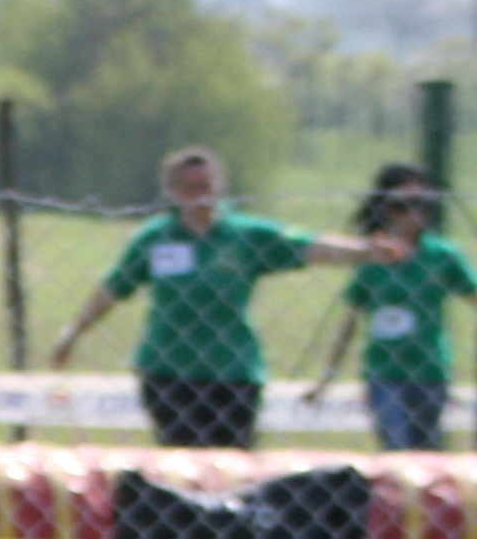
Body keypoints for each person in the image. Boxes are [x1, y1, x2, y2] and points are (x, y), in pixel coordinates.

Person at [49, 145, 400, 453]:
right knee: (184, 463)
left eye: (207, 186)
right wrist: (73, 332)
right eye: (190, 188)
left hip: (233, 371)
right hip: (169, 372)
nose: (201, 197)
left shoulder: (243, 236)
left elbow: (309, 247)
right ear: (174, 193)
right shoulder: (156, 239)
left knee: (233, 465)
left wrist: (366, 251)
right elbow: (112, 289)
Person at [311, 165, 477, 453]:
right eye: (403, 206)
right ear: (386, 209)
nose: (415, 215)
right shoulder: (372, 258)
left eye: (423, 205)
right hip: (384, 371)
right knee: (396, 447)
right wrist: (327, 376)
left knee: (430, 452)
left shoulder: (443, 256)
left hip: (431, 369)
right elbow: (350, 321)